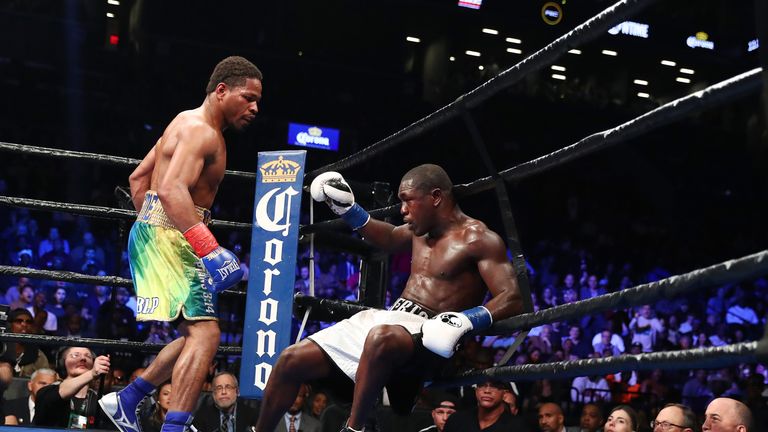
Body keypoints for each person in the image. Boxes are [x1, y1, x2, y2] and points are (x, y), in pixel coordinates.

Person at [253, 164, 523, 432]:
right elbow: (391, 238)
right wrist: (349, 210)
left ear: (436, 197)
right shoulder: (420, 230)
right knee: (290, 359)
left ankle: (354, 429)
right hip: (392, 319)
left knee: (381, 336)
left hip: (432, 333)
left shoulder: (478, 239)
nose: (403, 210)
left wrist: (464, 321)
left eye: (408, 201)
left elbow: (513, 297)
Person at [98, 55, 262, 432]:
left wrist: (151, 230)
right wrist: (208, 247)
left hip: (162, 233)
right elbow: (170, 188)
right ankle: (171, 426)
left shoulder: (183, 121)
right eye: (248, 97)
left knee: (195, 333)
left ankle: (127, 399)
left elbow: (139, 179)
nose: (254, 108)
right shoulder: (202, 132)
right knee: (207, 334)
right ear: (221, 91)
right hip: (173, 236)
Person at [33, 347, 111, 428]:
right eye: (75, 355)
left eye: (88, 356)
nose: (83, 358)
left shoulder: (102, 402)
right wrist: (91, 374)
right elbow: (60, 393)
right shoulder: (46, 392)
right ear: (62, 363)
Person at [444, 379, 528, 432]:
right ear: (476, 390)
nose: (487, 390)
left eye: (494, 386)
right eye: (481, 385)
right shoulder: (456, 420)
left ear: (504, 393)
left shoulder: (518, 427)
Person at [192, 372, 260, 432]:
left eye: (228, 387)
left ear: (237, 392)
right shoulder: (200, 417)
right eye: (219, 388)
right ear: (213, 394)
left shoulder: (253, 416)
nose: (223, 392)